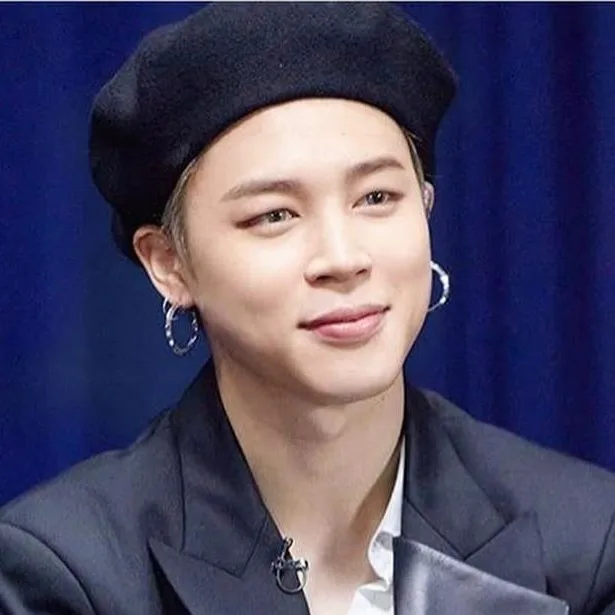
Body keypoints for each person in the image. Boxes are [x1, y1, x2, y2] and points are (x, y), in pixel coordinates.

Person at [1, 3, 615, 614]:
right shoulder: (67, 573)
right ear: (170, 263)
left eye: (377, 197)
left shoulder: (586, 543)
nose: (343, 258)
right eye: (275, 215)